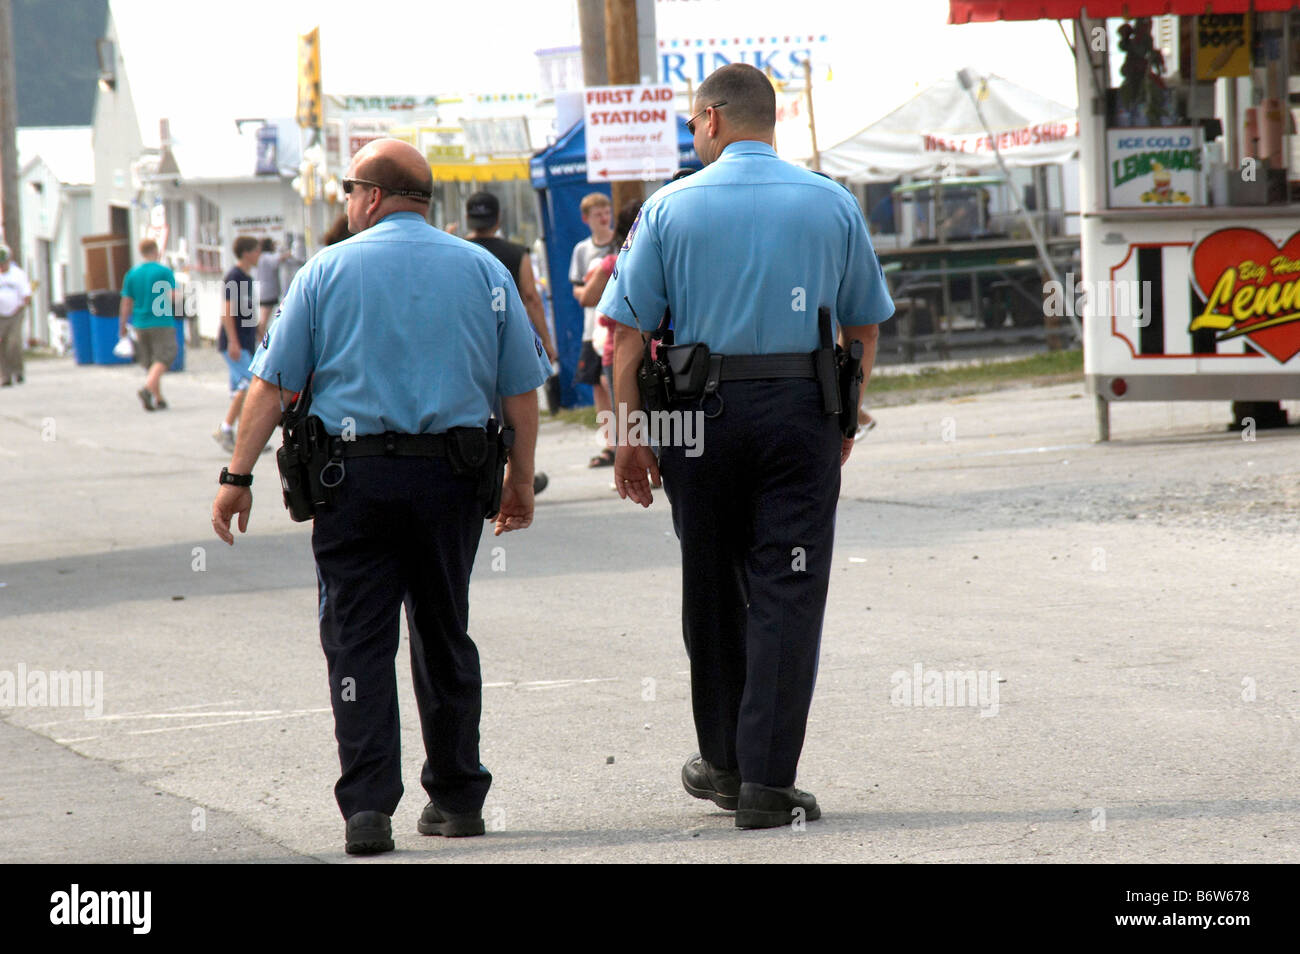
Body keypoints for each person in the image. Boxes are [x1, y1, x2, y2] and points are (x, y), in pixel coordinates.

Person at [209, 138, 546, 856]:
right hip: (451, 480)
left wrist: (236, 477)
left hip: (351, 483)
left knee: (357, 639)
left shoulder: (326, 271)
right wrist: (520, 480)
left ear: (369, 195)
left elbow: (270, 386)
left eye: (346, 194)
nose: (345, 207)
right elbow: (521, 389)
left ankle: (368, 810)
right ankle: (457, 798)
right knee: (444, 630)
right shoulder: (483, 269)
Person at [598, 63, 894, 830]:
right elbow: (863, 325)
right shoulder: (832, 202)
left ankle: (725, 763)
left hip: (696, 420)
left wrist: (630, 437)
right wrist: (845, 417)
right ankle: (765, 779)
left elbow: (627, 335)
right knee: (788, 590)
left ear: (710, 120)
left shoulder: (666, 209)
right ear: (774, 122)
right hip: (801, 411)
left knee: (712, 583)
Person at [464, 190, 555, 496]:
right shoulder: (517, 253)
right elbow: (531, 298)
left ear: (468, 218)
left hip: (469, 343)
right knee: (512, 416)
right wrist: (546, 340)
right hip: (506, 342)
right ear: (498, 218)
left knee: (473, 413)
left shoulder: (459, 251)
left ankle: (474, 473)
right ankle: (513, 476)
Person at [568, 192, 616, 467]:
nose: (603, 217)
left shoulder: (619, 244)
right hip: (591, 328)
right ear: (586, 219)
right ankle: (609, 444)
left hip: (613, 325)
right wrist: (588, 290)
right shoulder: (582, 250)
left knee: (611, 382)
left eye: (606, 212)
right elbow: (577, 287)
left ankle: (626, 440)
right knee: (598, 385)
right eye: (597, 214)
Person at [212, 237, 261, 452]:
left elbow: (248, 311)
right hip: (235, 342)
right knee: (249, 386)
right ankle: (226, 429)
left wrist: (260, 333)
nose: (259, 255)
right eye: (257, 251)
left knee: (239, 391)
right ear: (247, 252)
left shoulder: (247, 278)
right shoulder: (235, 277)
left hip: (246, 340)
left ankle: (243, 439)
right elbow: (227, 310)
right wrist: (233, 341)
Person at [118, 238, 179, 411]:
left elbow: (126, 302)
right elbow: (172, 295)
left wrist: (122, 325)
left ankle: (158, 398)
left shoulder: (132, 274)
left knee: (150, 361)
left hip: (140, 322)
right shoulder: (164, 271)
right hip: (161, 321)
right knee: (164, 356)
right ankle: (146, 389)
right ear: (156, 250)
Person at [0, 244, 32, 387]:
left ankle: (18, 371)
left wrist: (19, 308)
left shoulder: (17, 274)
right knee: (1, 345)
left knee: (13, 343)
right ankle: (5, 376)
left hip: (15, 313)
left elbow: (26, 295)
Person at [254, 237, 284, 341]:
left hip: (263, 290)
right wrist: (290, 253)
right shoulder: (266, 256)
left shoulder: (260, 257)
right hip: (268, 291)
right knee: (264, 318)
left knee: (264, 317)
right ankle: (261, 337)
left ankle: (261, 336)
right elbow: (278, 259)